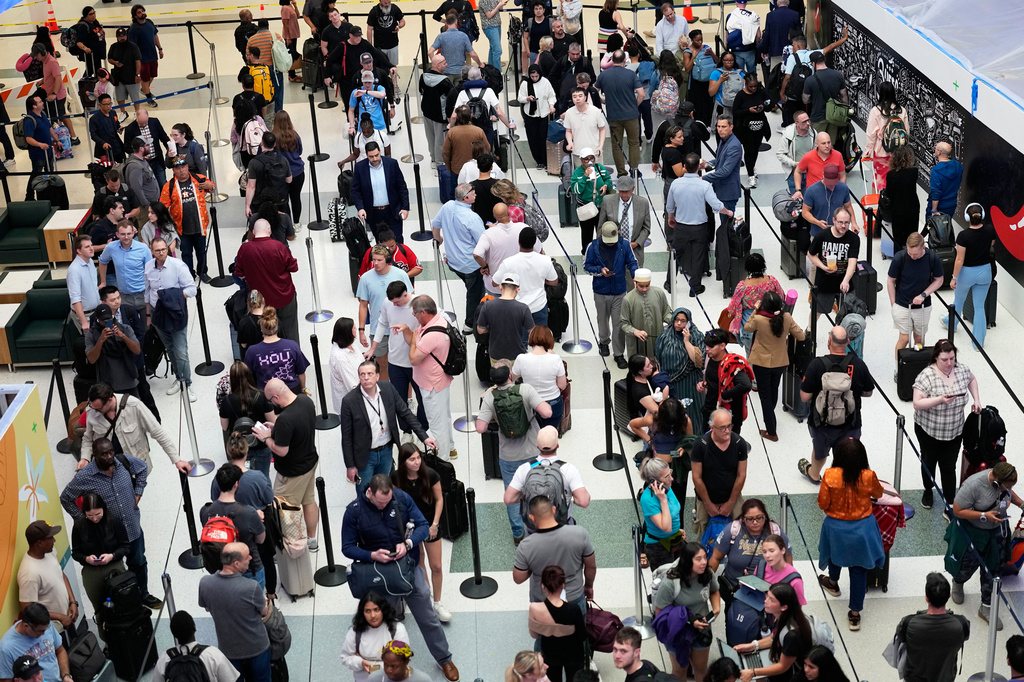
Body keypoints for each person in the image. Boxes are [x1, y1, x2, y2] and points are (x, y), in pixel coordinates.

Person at [341, 476, 461, 682]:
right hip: (378, 575)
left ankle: (444, 658)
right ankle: (386, 667)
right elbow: (347, 547)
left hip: (407, 568)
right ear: (369, 492)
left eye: (388, 502)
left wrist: (407, 543)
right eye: (381, 502)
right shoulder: (354, 511)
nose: (385, 506)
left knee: (428, 616)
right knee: (384, 623)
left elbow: (423, 526)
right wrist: (371, 555)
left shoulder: (401, 498)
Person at [59, 438, 162, 609]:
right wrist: (83, 519)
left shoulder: (124, 461)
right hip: (109, 535)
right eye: (104, 454)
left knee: (139, 562)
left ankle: (143, 594)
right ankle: (124, 599)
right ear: (95, 455)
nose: (109, 457)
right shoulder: (85, 476)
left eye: (110, 452)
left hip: (132, 526)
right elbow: (66, 498)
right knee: (114, 570)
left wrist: (138, 491)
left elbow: (143, 468)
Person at [476, 364, 553, 540]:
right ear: (510, 375)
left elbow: (480, 428)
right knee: (538, 489)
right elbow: (547, 412)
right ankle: (540, 527)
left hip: (508, 458)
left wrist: (496, 416)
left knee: (512, 494)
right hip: (533, 454)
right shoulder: (525, 389)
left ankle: (518, 534)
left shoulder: (490, 398)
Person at [816, 437, 885, 631]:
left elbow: (822, 503)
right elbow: (878, 494)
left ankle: (833, 583)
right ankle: (855, 615)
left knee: (834, 555)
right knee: (858, 570)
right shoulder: (868, 475)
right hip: (862, 529)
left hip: (836, 527)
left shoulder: (830, 475)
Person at [948, 461, 1022, 629]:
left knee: (994, 570)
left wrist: (1021, 504)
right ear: (997, 482)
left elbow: (1010, 494)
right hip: (975, 532)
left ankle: (986, 607)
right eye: (1007, 486)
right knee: (966, 565)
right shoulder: (973, 485)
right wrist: (983, 515)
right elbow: (958, 510)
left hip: (997, 532)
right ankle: (958, 581)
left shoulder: (1004, 485)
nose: (1008, 489)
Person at [341, 359, 435, 490]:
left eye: (370, 374)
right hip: (365, 456)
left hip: (386, 451)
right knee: (365, 493)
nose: (366, 378)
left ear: (377, 376)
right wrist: (350, 466)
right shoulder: (349, 401)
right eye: (362, 374)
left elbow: (406, 413)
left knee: (384, 488)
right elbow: (346, 437)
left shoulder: (388, 389)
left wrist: (423, 437)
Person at [797, 326, 874, 484]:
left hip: (821, 424)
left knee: (820, 454)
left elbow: (804, 397)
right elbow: (868, 392)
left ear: (829, 342)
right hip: (850, 423)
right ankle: (845, 482)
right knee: (848, 456)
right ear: (847, 342)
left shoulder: (816, 365)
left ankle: (813, 474)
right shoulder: (858, 364)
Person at [257, 378, 321, 549]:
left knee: (285, 512)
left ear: (276, 397)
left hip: (292, 473)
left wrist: (266, 438)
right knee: (309, 501)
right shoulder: (305, 400)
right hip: (310, 461)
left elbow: (281, 450)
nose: (271, 404)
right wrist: (276, 428)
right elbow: (297, 427)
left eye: (271, 401)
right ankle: (312, 540)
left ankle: (293, 547)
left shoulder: (285, 418)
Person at [392, 444, 449, 621]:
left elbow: (439, 500)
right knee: (419, 560)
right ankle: (427, 594)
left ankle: (438, 603)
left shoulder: (430, 475)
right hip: (410, 525)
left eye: (418, 458)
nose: (417, 462)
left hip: (430, 523)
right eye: (412, 459)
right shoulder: (396, 477)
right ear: (404, 462)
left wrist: (435, 524)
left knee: (436, 565)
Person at [197, 543, 270, 682]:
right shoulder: (251, 587)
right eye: (247, 557)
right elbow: (264, 612)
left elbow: (206, 607)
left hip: (229, 649)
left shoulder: (205, 583)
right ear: (236, 563)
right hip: (256, 647)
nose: (250, 558)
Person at [513, 494, 596, 612]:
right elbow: (591, 565)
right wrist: (588, 586)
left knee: (544, 630)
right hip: (574, 596)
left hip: (542, 599)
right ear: (553, 510)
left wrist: (533, 563)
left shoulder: (526, 546)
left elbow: (518, 578)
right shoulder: (579, 534)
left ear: (532, 517)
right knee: (577, 629)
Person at [400, 296, 457, 461]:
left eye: (415, 313)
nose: (414, 317)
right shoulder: (440, 321)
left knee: (437, 424)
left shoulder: (431, 334)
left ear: (423, 312)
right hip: (440, 380)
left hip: (432, 384)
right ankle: (450, 448)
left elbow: (414, 359)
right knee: (444, 417)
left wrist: (413, 342)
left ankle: (443, 460)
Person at [652, 542, 719, 681]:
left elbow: (714, 591)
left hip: (701, 629)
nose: (704, 562)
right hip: (677, 631)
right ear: (688, 561)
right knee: (679, 670)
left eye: (705, 557)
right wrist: (688, 621)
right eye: (698, 559)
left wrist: (716, 608)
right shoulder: (670, 583)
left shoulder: (707, 573)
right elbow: (660, 613)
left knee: (701, 668)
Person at [667, 153, 733, 296]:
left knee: (675, 255)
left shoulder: (675, 184)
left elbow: (670, 206)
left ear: (684, 167)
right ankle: (695, 287)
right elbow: (715, 204)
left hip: (681, 227)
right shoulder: (705, 185)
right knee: (698, 256)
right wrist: (727, 212)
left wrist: (671, 218)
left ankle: (670, 283)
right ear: (698, 167)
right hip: (699, 227)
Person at [744, 291, 805, 441]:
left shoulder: (758, 319)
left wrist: (755, 310)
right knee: (773, 390)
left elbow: (747, 328)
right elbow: (801, 336)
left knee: (764, 396)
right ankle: (770, 416)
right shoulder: (786, 318)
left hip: (761, 363)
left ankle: (771, 432)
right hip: (779, 362)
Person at [708, 500, 796, 597]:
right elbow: (715, 558)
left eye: (759, 518)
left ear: (765, 516)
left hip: (768, 592)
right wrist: (706, 584)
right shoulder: (733, 530)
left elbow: (788, 562)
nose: (755, 522)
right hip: (735, 589)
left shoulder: (775, 531)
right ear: (743, 518)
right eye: (750, 519)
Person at [145, 237, 197, 399]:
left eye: (163, 249)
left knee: (181, 351)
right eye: (157, 250)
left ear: (167, 249)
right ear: (152, 251)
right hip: (157, 314)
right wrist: (148, 315)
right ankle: (179, 378)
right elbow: (147, 292)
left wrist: (171, 297)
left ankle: (187, 383)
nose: (161, 253)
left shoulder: (178, 266)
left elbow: (192, 289)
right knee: (169, 348)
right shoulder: (148, 267)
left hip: (175, 313)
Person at [895, 572, 970, 682]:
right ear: (949, 596)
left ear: (926, 598)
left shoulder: (908, 623)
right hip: (946, 678)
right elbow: (965, 637)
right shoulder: (962, 624)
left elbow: (901, 637)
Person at [504, 425, 590, 520]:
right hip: (561, 525)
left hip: (535, 526)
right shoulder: (568, 469)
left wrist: (525, 494)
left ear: (537, 446)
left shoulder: (525, 468)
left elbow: (508, 499)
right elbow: (583, 502)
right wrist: (571, 498)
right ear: (557, 445)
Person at [234, 220, 301, 343]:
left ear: (253, 232)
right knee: (290, 330)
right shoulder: (279, 246)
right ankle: (292, 356)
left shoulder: (245, 249)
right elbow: (294, 267)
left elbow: (239, 273)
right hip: (284, 297)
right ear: (269, 230)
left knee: (264, 334)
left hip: (259, 302)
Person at [202, 465, 268, 588]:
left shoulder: (206, 511)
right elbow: (261, 539)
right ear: (236, 485)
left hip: (220, 569)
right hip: (249, 569)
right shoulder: (249, 513)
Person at [431, 185, 486, 330]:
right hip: (471, 265)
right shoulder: (472, 218)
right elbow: (483, 243)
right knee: (475, 293)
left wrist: (438, 238)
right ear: (466, 198)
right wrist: (486, 265)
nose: (475, 195)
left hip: (453, 262)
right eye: (473, 194)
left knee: (470, 286)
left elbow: (435, 225)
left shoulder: (448, 206)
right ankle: (469, 324)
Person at [732, 583, 812, 681]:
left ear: (784, 607)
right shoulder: (782, 617)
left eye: (772, 600)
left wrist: (753, 672)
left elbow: (783, 666)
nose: (765, 601)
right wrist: (752, 646)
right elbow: (775, 637)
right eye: (767, 596)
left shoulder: (792, 635)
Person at [943, 204, 996, 348]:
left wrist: (954, 277)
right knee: (979, 307)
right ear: (982, 216)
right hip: (985, 272)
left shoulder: (963, 236)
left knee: (959, 299)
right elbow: (991, 244)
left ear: (967, 218)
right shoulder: (990, 230)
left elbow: (959, 259)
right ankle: (978, 343)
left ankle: (951, 323)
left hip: (967, 273)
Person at [584, 222, 638, 363]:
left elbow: (632, 262)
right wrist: (599, 271)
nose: (610, 244)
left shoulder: (624, 245)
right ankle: (603, 342)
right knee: (602, 319)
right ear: (601, 234)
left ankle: (619, 353)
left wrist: (635, 276)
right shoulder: (593, 246)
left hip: (619, 290)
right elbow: (587, 266)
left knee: (619, 323)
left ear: (618, 234)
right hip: (600, 291)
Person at [691, 408, 750, 537]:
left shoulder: (739, 443)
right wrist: (708, 504)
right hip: (706, 498)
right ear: (712, 427)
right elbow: (696, 477)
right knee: (704, 534)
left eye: (729, 426)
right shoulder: (700, 445)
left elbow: (742, 475)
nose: (727, 431)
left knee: (740, 533)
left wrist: (730, 503)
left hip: (732, 497)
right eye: (723, 428)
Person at [887, 232, 945, 359]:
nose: (912, 256)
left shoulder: (932, 258)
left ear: (923, 248)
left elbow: (939, 280)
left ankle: (917, 365)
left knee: (919, 338)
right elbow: (891, 280)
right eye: (910, 253)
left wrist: (924, 295)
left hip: (923, 306)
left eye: (915, 254)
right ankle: (899, 368)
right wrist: (893, 303)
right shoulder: (900, 257)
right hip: (902, 305)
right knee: (904, 338)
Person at [70, 493, 130, 615]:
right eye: (89, 515)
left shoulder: (114, 521)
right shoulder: (79, 527)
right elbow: (75, 553)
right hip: (91, 572)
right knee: (100, 608)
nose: (95, 518)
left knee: (123, 602)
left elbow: (126, 546)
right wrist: (86, 559)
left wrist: (112, 555)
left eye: (98, 514)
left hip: (114, 566)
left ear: (104, 508)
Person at [16, 521, 76, 639]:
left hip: (67, 621)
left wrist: (73, 602)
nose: (54, 540)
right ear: (39, 543)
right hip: (52, 632)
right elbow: (28, 611)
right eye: (50, 538)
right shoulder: (29, 574)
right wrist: (59, 617)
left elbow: (61, 575)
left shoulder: (48, 553)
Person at [160, 156, 216, 282]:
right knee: (186, 254)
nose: (181, 170)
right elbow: (162, 207)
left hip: (200, 225)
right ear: (173, 170)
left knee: (201, 251)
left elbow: (212, 188)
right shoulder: (169, 186)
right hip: (181, 228)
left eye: (183, 167)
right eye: (177, 168)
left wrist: (210, 185)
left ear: (187, 167)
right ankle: (189, 274)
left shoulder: (198, 179)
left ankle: (203, 272)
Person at [492, 229, 559, 327]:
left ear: (518, 242)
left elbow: (494, 282)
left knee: (520, 340)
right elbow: (554, 281)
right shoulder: (545, 260)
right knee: (539, 339)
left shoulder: (508, 262)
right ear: (534, 243)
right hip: (539, 306)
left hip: (517, 308)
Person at [220, 361, 276, 476]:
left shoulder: (227, 401)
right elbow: (272, 421)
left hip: (239, 447)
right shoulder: (261, 396)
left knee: (243, 477)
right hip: (261, 444)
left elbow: (224, 426)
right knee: (263, 476)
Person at [151, 611, 240, 682]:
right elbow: (231, 678)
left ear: (174, 634)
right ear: (194, 627)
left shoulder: (164, 660)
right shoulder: (213, 655)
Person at [594, 50, 643, 176]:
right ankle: (634, 169)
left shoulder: (604, 75)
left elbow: (593, 91)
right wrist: (634, 105)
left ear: (612, 60)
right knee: (633, 143)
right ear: (624, 60)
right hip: (631, 115)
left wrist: (603, 100)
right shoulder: (631, 74)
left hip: (614, 116)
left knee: (616, 145)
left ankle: (621, 172)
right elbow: (641, 94)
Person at [341, 593, 411, 682]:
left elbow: (402, 660)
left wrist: (370, 664)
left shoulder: (397, 629)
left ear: (383, 610)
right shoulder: (355, 632)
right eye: (368, 611)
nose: (373, 615)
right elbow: (345, 657)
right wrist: (360, 662)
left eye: (376, 610)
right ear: (362, 612)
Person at [655, 307, 705, 429]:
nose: (679, 323)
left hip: (690, 382)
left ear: (688, 322)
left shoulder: (696, 336)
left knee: (692, 412)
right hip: (671, 384)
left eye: (683, 321)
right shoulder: (664, 336)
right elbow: (658, 358)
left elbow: (699, 361)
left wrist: (687, 341)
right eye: (676, 319)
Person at [807, 208, 859, 321]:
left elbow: (852, 262)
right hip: (824, 283)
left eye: (847, 223)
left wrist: (846, 280)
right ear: (834, 220)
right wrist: (823, 267)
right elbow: (810, 254)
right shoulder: (822, 236)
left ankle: (841, 336)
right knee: (817, 312)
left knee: (848, 314)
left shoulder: (853, 239)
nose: (844, 226)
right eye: (840, 222)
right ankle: (810, 332)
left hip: (844, 281)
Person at [352, 142, 410, 243]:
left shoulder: (392, 164)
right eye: (371, 156)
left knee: (397, 241)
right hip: (374, 213)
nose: (374, 159)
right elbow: (356, 191)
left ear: (380, 151)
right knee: (380, 243)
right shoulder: (360, 168)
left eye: (376, 155)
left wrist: (405, 207)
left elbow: (402, 187)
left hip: (392, 211)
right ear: (366, 155)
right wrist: (360, 208)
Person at [726, 252, 784, 354]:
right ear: (763, 266)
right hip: (771, 322)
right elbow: (781, 297)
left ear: (747, 269)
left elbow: (732, 307)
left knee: (751, 356)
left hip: (750, 326)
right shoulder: (772, 281)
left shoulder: (742, 286)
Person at [637, 454, 686, 570]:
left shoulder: (667, 487)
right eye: (666, 476)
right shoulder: (648, 499)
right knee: (666, 583)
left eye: (670, 473)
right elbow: (666, 527)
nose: (671, 478)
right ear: (654, 481)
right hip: (658, 547)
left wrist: (677, 530)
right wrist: (663, 500)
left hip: (675, 539)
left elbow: (673, 513)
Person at [512, 327, 567, 430]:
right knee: (549, 436)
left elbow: (512, 378)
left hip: (530, 404)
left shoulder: (521, 358)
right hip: (553, 403)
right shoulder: (556, 359)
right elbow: (562, 385)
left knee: (531, 436)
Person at [0, 604, 72, 682]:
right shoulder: (7, 647)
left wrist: (66, 675)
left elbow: (60, 651)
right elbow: (6, 679)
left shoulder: (45, 626)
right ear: (26, 625)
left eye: (46, 629)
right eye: (40, 631)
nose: (43, 634)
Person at [84, 302, 141, 400]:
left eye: (109, 319)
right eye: (103, 320)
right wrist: (101, 340)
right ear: (97, 320)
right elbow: (91, 359)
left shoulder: (125, 328)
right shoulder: (91, 335)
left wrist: (123, 336)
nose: (106, 322)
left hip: (128, 380)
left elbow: (137, 350)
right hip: (106, 383)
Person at [244, 307, 308, 393]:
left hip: (267, 394)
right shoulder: (292, 345)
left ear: (261, 329)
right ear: (277, 326)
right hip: (292, 391)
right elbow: (301, 373)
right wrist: (303, 389)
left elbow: (247, 376)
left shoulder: (252, 351)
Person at [476, 275, 536, 363]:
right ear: (517, 289)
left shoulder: (487, 306)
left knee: (499, 376)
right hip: (517, 354)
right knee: (515, 376)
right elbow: (533, 332)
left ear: (500, 287)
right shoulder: (523, 308)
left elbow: (480, 330)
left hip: (495, 353)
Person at [597, 175, 651, 267]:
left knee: (633, 278)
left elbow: (646, 228)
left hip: (634, 251)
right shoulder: (607, 201)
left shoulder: (643, 203)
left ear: (633, 189)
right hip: (612, 250)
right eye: (621, 191)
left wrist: (636, 243)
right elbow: (601, 227)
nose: (624, 194)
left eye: (627, 191)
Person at [97, 221, 151, 311]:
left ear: (133, 233)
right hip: (124, 297)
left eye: (129, 234)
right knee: (126, 324)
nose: (126, 237)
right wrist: (103, 282)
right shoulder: (111, 247)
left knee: (146, 324)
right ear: (117, 234)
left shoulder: (143, 248)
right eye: (123, 234)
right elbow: (102, 261)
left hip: (143, 295)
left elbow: (151, 269)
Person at [569, 148, 614, 255]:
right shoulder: (577, 173)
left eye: (592, 158)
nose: (589, 162)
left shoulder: (600, 168)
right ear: (581, 160)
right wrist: (585, 176)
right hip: (586, 207)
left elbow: (608, 179)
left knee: (602, 231)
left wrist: (605, 185)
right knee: (586, 233)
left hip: (601, 207)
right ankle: (587, 253)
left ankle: (602, 252)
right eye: (586, 159)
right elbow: (576, 190)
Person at [621, 268, 672, 362]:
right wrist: (635, 331)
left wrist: (674, 320)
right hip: (637, 342)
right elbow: (624, 323)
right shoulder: (628, 299)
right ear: (634, 282)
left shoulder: (659, 293)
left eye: (647, 285)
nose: (644, 289)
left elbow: (666, 313)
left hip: (657, 338)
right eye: (641, 286)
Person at [33, 44, 79, 147]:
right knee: (62, 115)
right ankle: (72, 137)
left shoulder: (52, 62)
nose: (36, 58)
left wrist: (54, 93)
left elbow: (58, 78)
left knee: (60, 117)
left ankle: (69, 138)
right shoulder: (45, 61)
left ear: (42, 53)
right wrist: (42, 80)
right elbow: (49, 75)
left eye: (37, 55)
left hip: (57, 96)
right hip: (52, 94)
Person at [864, 82, 907, 190]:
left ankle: (880, 204)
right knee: (896, 181)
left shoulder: (876, 111)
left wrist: (868, 152)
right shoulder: (902, 110)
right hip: (898, 152)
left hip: (881, 151)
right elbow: (906, 132)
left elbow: (871, 135)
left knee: (879, 180)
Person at [802, 163, 858, 243]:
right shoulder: (812, 190)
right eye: (828, 182)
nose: (831, 185)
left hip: (839, 233)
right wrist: (817, 222)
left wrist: (854, 223)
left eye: (833, 182)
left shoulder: (843, 188)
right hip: (818, 233)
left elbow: (848, 206)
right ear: (823, 175)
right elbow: (805, 212)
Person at [731, 73, 770, 187]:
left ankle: (751, 167)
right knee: (748, 150)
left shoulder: (761, 92)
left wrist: (764, 106)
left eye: (755, 86)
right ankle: (751, 174)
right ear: (745, 84)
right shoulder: (740, 95)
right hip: (745, 129)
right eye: (751, 86)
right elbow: (735, 112)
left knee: (755, 149)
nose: (753, 89)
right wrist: (748, 110)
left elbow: (770, 103)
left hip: (759, 127)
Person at [701, 115, 743, 219]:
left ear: (731, 127)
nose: (720, 130)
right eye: (718, 126)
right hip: (721, 188)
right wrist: (707, 164)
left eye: (723, 127)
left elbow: (725, 171)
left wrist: (702, 179)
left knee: (726, 227)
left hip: (728, 192)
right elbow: (719, 159)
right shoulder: (724, 140)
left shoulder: (734, 146)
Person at [801, 50, 846, 144]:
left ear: (813, 63)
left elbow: (805, 100)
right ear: (824, 61)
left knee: (816, 143)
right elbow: (843, 96)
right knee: (830, 144)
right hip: (834, 116)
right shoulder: (838, 75)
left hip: (818, 116)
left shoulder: (810, 80)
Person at [518, 65, 557, 169]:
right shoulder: (525, 84)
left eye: (536, 76)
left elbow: (551, 96)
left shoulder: (545, 82)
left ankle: (545, 160)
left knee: (543, 137)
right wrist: (527, 98)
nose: (534, 78)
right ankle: (538, 160)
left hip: (543, 114)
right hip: (530, 115)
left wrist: (551, 105)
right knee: (532, 138)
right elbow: (520, 98)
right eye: (532, 76)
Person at [420, 54, 454, 167]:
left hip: (426, 113)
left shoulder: (423, 76)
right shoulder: (444, 82)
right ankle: (440, 164)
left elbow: (422, 91)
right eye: (444, 63)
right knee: (440, 141)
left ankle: (433, 159)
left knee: (430, 138)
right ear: (438, 66)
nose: (446, 64)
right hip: (440, 116)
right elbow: (450, 98)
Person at [884, 145, 921, 251]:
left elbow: (889, 193)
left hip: (897, 209)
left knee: (898, 237)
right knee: (912, 236)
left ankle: (899, 259)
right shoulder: (914, 172)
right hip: (912, 208)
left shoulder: (891, 175)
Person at [122, 109, 170, 189]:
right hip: (143, 164)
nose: (144, 125)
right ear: (136, 118)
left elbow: (164, 138)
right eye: (141, 123)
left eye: (145, 122)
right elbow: (127, 147)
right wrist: (139, 155)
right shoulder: (130, 129)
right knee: (149, 186)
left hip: (157, 160)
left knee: (163, 184)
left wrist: (170, 150)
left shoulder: (154, 122)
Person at [430, 12, 482, 84]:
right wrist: (480, 64)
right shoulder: (463, 36)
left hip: (446, 72)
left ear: (446, 23)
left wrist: (437, 65)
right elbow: (473, 54)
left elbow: (430, 52)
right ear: (456, 22)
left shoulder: (441, 36)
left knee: (448, 94)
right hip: (460, 72)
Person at [563, 88, 608, 169]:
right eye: (574, 96)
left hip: (594, 151)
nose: (577, 98)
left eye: (580, 96)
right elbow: (568, 131)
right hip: (578, 152)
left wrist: (601, 146)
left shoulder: (595, 111)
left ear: (585, 97)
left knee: (598, 177)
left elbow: (602, 129)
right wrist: (570, 143)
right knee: (581, 178)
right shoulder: (569, 113)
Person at [793, 132, 846, 200]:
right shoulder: (809, 157)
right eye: (823, 143)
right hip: (814, 196)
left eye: (829, 142)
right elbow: (797, 171)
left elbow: (842, 175)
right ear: (817, 144)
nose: (827, 146)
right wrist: (798, 190)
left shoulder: (838, 155)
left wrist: (841, 191)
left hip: (833, 195)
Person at [330, 317, 364, 414]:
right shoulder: (339, 357)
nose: (356, 329)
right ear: (347, 332)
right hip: (352, 407)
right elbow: (352, 386)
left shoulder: (351, 344)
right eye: (353, 328)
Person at [123, 138, 163, 221]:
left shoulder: (143, 161)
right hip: (144, 208)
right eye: (147, 145)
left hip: (150, 205)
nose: (150, 147)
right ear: (141, 148)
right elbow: (136, 189)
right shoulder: (135, 166)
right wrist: (146, 205)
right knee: (145, 230)